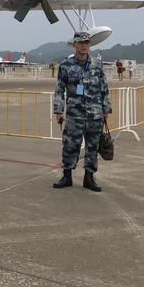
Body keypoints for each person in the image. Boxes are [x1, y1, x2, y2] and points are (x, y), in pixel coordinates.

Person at [53, 32, 111, 192]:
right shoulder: (66, 65)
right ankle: (67, 176)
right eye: (81, 43)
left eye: (86, 42)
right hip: (74, 114)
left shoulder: (97, 64)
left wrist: (106, 109)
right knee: (70, 145)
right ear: (74, 45)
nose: (84, 45)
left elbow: (104, 88)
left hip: (95, 114)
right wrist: (58, 110)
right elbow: (59, 89)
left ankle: (89, 178)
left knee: (93, 147)